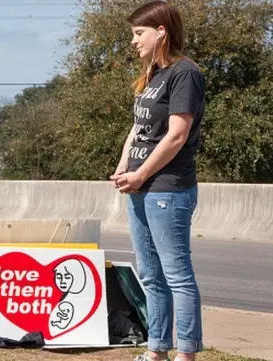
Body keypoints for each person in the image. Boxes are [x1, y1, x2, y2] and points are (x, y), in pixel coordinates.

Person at [110, 2, 205, 361]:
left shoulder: (185, 74)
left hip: (168, 187)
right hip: (138, 186)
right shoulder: (152, 75)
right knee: (150, 276)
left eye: (139, 33)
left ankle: (186, 353)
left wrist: (141, 173)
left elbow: (176, 135)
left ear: (160, 31)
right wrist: (124, 167)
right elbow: (139, 128)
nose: (133, 41)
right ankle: (157, 350)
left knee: (177, 275)